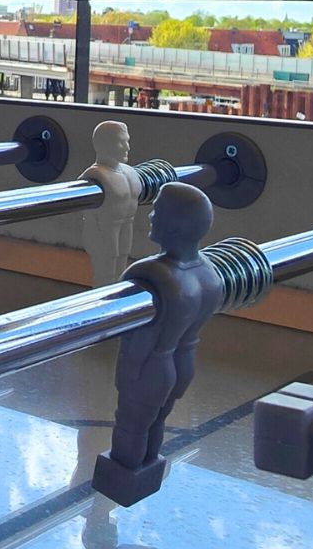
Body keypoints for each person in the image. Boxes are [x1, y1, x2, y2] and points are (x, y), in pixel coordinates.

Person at [92, 182, 223, 506]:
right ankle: (146, 474)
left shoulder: (153, 273)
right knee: (157, 420)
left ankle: (119, 487)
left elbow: (126, 328)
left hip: (151, 364)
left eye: (158, 210)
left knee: (132, 426)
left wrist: (128, 371)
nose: (150, 216)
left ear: (175, 224)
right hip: (184, 360)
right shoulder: (209, 275)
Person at [80, 121, 144, 288]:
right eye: (121, 142)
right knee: (105, 276)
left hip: (126, 226)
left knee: (121, 273)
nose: (127, 147)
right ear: (103, 145)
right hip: (104, 230)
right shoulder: (95, 174)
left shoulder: (130, 172)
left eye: (127, 141)